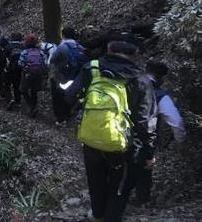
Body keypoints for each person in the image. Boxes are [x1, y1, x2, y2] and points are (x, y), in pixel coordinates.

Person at [66, 40, 157, 222]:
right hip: (126, 146)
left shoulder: (91, 69)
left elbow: (69, 96)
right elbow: (145, 121)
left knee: (96, 181)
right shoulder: (140, 79)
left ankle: (98, 214)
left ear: (109, 51)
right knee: (120, 189)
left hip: (92, 139)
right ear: (134, 56)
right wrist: (149, 152)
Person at [135, 60, 186, 205]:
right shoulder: (161, 95)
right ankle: (142, 202)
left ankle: (117, 199)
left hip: (121, 133)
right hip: (146, 138)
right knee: (144, 170)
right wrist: (180, 140)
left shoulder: (130, 85)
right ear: (162, 77)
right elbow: (176, 122)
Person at [49, 27, 87, 125]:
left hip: (61, 76)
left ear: (63, 35)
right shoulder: (80, 47)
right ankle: (69, 114)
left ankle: (60, 119)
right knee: (71, 95)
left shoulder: (62, 47)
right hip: (75, 77)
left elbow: (52, 60)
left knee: (58, 97)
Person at [18, 33, 48, 117]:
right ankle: (33, 107)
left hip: (27, 74)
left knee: (23, 90)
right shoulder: (41, 52)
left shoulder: (24, 52)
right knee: (34, 91)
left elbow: (20, 63)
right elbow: (45, 64)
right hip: (38, 75)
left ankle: (30, 105)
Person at [4, 33, 24, 111]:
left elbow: (3, 58)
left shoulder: (8, 47)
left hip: (10, 69)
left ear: (12, 38)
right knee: (17, 85)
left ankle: (9, 99)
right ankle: (18, 101)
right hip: (20, 69)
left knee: (7, 85)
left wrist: (2, 68)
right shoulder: (23, 47)